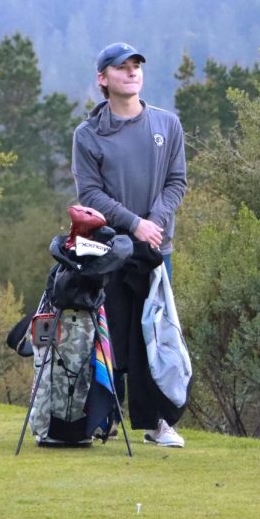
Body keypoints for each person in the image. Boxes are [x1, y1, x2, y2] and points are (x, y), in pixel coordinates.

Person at [71, 42, 188, 447]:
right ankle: (104, 419)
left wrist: (153, 223)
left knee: (153, 335)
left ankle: (159, 423)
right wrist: (133, 223)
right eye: (121, 67)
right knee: (109, 335)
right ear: (103, 79)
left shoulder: (166, 124)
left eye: (136, 65)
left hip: (156, 248)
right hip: (108, 250)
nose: (131, 72)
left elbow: (177, 182)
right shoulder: (88, 134)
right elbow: (90, 194)